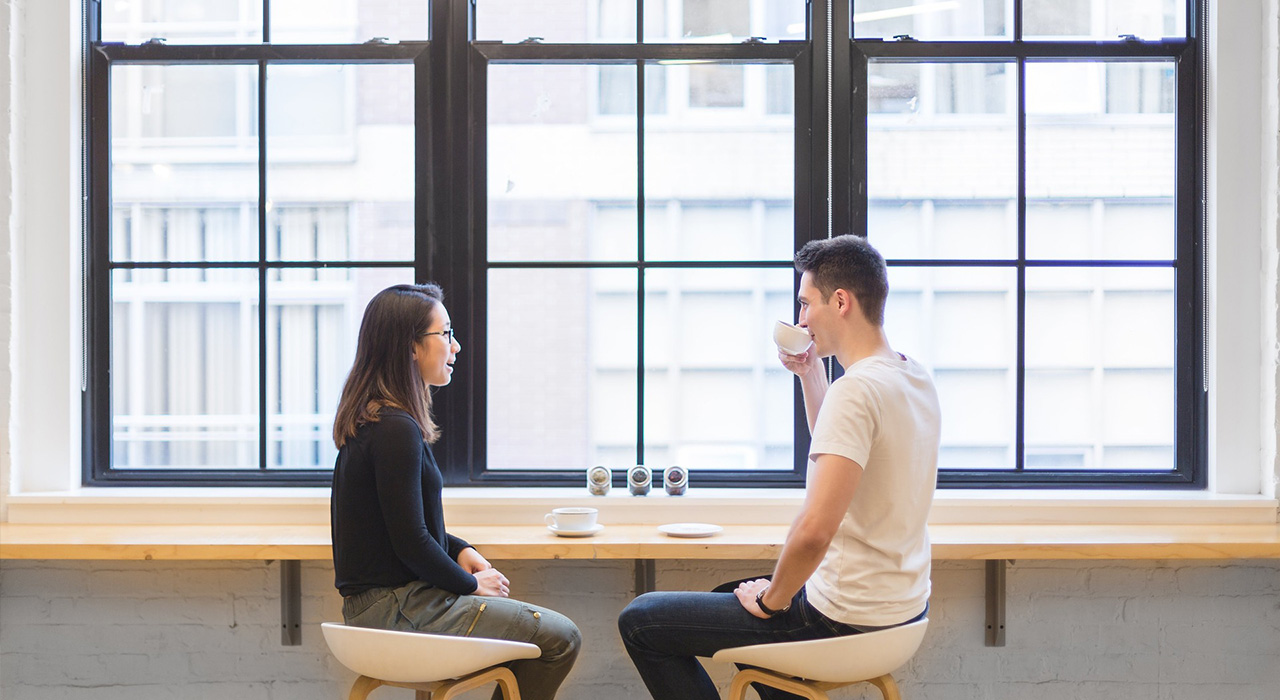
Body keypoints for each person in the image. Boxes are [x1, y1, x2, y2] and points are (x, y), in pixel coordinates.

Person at [617, 235, 941, 700]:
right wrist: (811, 373)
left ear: (842, 302)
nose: (802, 318)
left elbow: (814, 531)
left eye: (806, 303)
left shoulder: (857, 391)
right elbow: (844, 444)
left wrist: (774, 601)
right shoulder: (911, 375)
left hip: (843, 617)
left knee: (643, 621)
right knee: (727, 598)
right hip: (902, 609)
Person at [330, 283, 581, 700]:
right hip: (397, 610)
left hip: (384, 606)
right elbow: (411, 542)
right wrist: (471, 587)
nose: (456, 346)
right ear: (411, 347)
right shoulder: (395, 429)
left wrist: (460, 550)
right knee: (561, 638)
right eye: (444, 334)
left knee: (525, 634)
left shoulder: (380, 422)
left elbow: (403, 525)